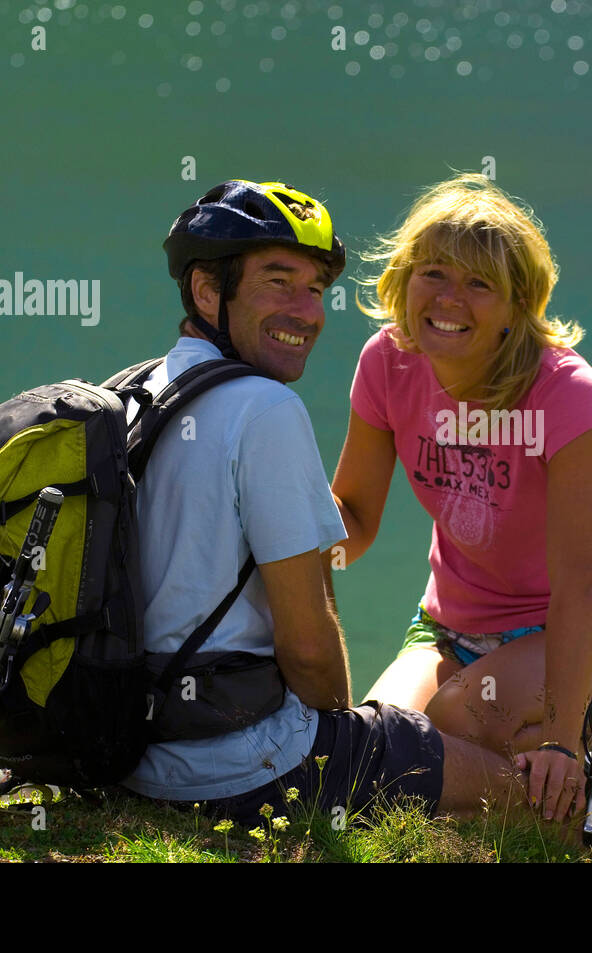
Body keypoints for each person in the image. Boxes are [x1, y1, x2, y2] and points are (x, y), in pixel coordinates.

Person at [118, 179, 548, 830]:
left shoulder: (139, 392)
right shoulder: (267, 410)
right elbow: (311, 651)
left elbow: (331, 525)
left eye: (315, 289)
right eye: (278, 283)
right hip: (241, 763)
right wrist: (345, 738)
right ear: (208, 291)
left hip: (137, 751)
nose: (307, 311)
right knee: (527, 789)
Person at [330, 174, 592, 822]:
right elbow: (353, 520)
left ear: (516, 304)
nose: (450, 299)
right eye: (434, 273)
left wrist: (559, 734)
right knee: (367, 748)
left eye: (479, 283)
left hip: (582, 624)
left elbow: (580, 582)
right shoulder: (387, 362)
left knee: (456, 722)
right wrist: (263, 520)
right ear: (402, 280)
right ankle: (577, 796)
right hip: (450, 626)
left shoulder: (564, 390)